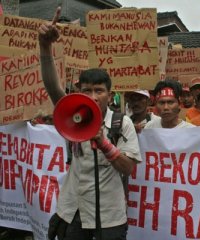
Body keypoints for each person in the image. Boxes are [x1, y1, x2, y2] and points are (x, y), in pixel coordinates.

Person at [38, 7, 141, 240]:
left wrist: (105, 144)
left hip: (109, 216)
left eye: (99, 91)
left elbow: (128, 168)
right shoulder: (71, 114)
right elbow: (53, 88)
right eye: (87, 91)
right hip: (73, 212)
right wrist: (45, 46)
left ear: (110, 93)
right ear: (78, 92)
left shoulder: (121, 123)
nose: (93, 97)